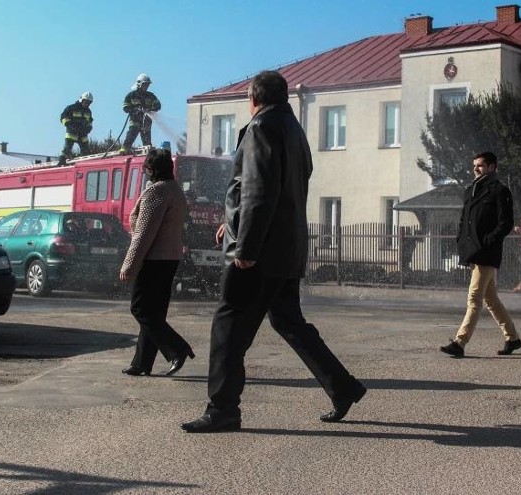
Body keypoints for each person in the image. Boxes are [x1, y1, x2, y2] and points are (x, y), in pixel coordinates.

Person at [181, 70, 366, 433]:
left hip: (259, 253)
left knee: (228, 329)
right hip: (287, 248)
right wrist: (231, 222)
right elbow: (276, 191)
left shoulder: (261, 128)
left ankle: (223, 410)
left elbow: (258, 191)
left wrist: (245, 245)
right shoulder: (295, 132)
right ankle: (342, 387)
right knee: (289, 322)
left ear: (254, 98)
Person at [119, 148, 195, 377]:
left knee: (140, 309)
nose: (144, 170)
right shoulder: (176, 190)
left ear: (152, 169)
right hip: (170, 258)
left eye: (146, 166)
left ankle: (177, 350)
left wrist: (129, 265)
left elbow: (144, 233)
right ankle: (141, 362)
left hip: (154, 259)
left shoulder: (157, 192)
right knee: (155, 312)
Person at [440, 151, 521, 358]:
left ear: (492, 167)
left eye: (480, 165)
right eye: (474, 165)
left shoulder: (499, 190)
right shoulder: (471, 190)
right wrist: (460, 239)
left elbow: (506, 223)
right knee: (491, 299)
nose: (475, 168)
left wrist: (488, 241)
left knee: (474, 297)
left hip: (486, 252)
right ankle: (513, 338)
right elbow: (464, 219)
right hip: (472, 250)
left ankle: (460, 342)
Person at [119, 73, 161, 154]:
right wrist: (135, 110)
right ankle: (124, 149)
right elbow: (125, 107)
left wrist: (150, 109)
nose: (146, 86)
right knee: (132, 134)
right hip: (135, 120)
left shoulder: (151, 96)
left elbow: (158, 105)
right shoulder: (131, 95)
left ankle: (148, 153)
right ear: (139, 84)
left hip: (146, 122)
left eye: (147, 85)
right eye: (144, 84)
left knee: (147, 139)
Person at [58, 92, 94, 166]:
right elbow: (63, 117)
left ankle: (86, 164)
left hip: (83, 134)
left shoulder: (88, 111)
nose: (87, 104)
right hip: (72, 133)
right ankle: (61, 161)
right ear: (81, 100)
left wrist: (89, 128)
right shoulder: (71, 108)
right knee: (67, 149)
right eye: (86, 102)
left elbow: (90, 121)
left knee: (86, 152)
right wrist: (68, 124)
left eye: (89, 103)